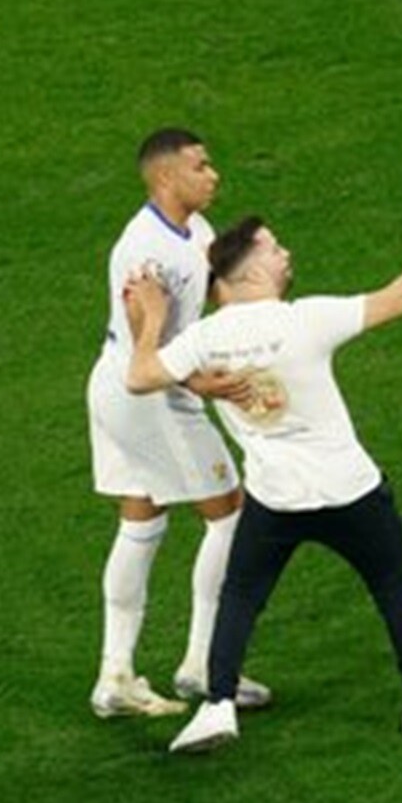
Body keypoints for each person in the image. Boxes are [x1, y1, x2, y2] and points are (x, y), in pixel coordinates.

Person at [121, 198, 402, 752]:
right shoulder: (304, 318)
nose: (286, 254)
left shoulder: (203, 339)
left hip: (276, 499)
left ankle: (218, 706)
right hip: (352, 490)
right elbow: (400, 299)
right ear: (248, 270)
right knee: (393, 587)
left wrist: (153, 320)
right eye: (274, 248)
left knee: (241, 597)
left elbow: (138, 377)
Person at [86, 128, 270, 717]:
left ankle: (115, 676)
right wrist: (206, 384)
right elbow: (151, 354)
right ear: (166, 177)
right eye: (200, 165)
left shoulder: (194, 230)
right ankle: (204, 665)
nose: (213, 174)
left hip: (122, 384)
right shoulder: (144, 255)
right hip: (147, 392)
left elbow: (213, 305)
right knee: (230, 515)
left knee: (142, 519)